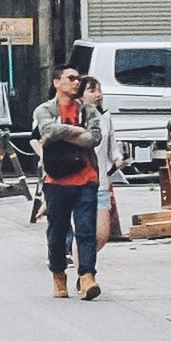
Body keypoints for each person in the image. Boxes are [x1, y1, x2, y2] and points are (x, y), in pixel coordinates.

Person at [38, 65, 108, 298]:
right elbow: (46, 129)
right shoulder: (45, 109)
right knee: (57, 232)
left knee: (86, 230)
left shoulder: (88, 111)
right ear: (57, 82)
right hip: (56, 180)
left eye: (78, 78)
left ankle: (87, 277)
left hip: (86, 178)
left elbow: (94, 138)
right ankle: (58, 273)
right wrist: (73, 130)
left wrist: (61, 137)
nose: (76, 82)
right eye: (71, 78)